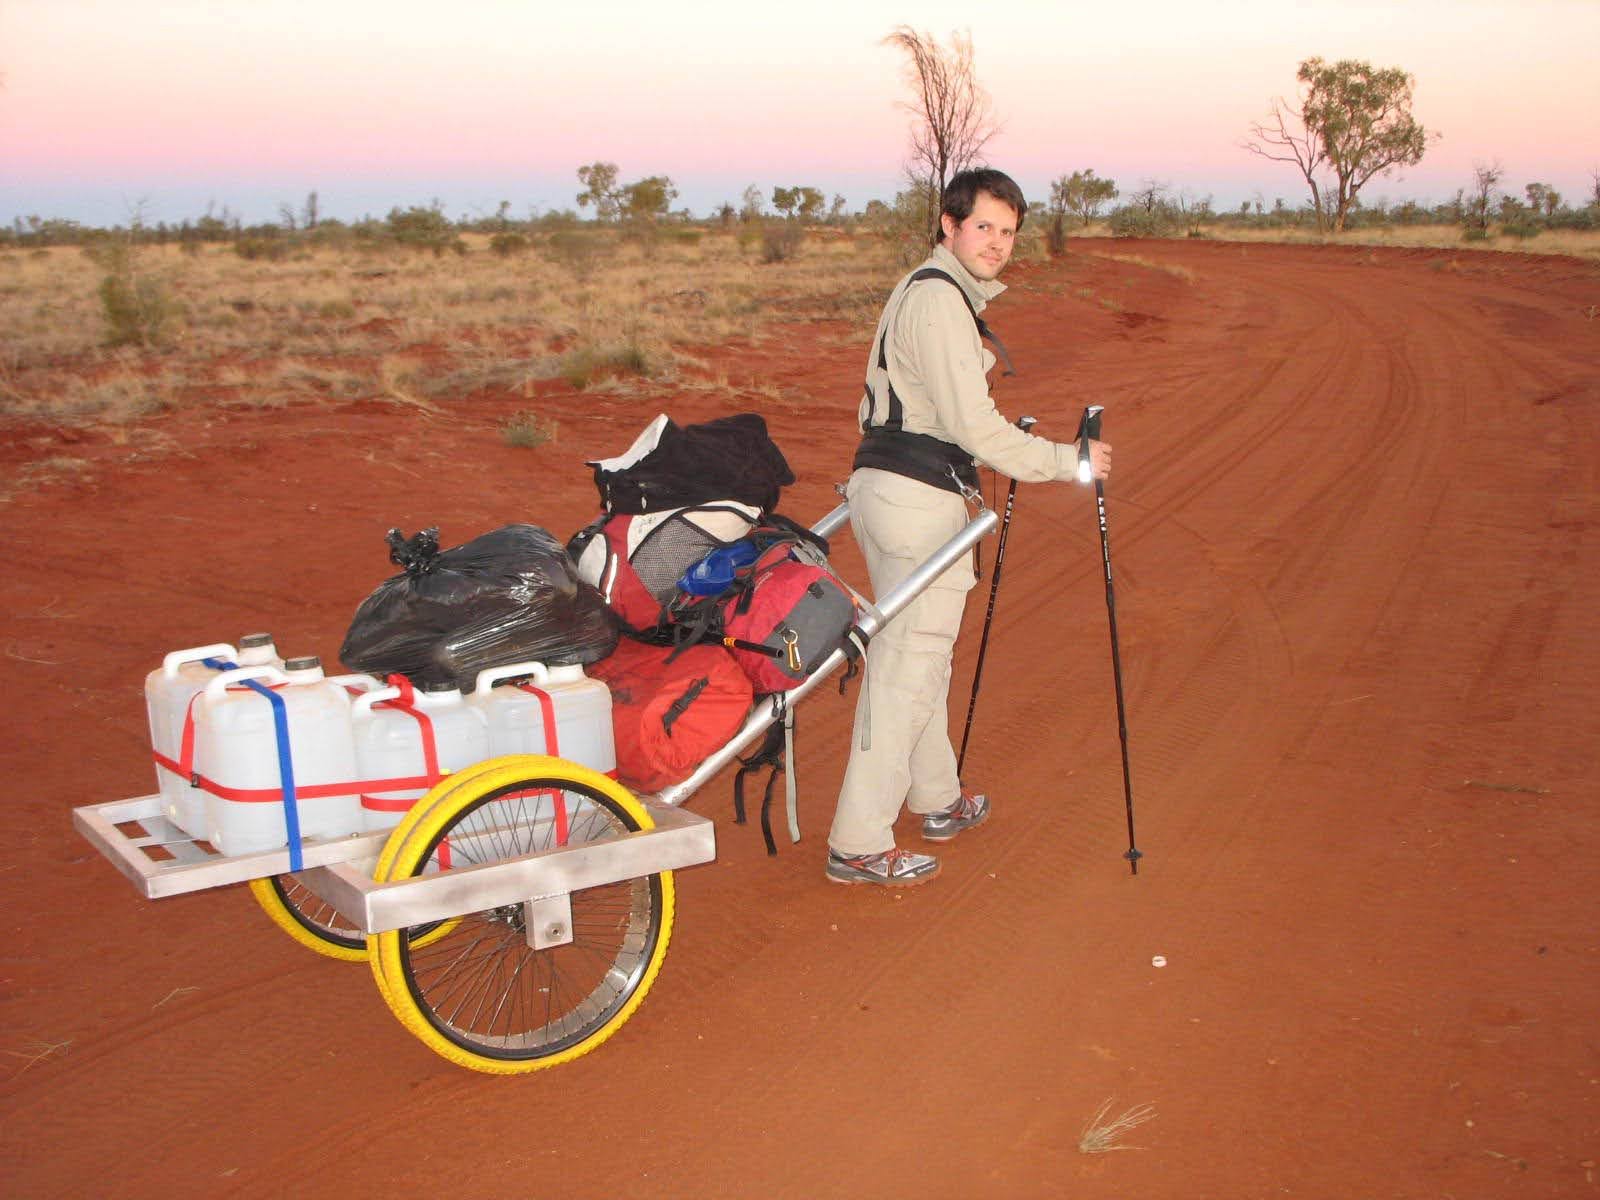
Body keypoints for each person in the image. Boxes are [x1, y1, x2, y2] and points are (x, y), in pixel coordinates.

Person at [825, 167, 1112, 886]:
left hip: (893, 487)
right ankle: (858, 840)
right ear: (950, 226)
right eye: (983, 226)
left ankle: (938, 797)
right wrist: (1067, 459)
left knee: (923, 659)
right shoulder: (940, 300)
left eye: (1008, 232)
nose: (997, 243)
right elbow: (971, 426)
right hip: (916, 495)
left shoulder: (925, 290)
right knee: (909, 667)